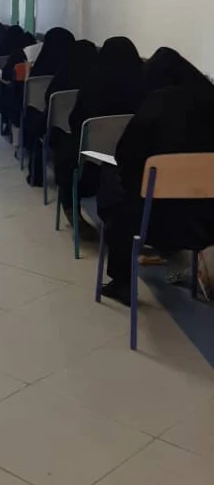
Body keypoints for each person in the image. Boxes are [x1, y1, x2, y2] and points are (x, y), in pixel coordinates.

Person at [98, 49, 214, 304]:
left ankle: (122, 282)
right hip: (206, 221)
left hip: (154, 222)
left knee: (114, 185)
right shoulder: (210, 100)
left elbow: (125, 156)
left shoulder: (156, 104)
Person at [53, 36, 144, 219]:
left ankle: (70, 207)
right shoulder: (144, 85)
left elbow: (75, 120)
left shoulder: (93, 82)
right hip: (132, 161)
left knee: (66, 152)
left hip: (91, 160)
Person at [26, 40, 98, 185]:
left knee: (38, 128)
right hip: (92, 136)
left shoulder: (63, 75)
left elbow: (48, 98)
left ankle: (36, 176)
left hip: (59, 131)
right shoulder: (96, 81)